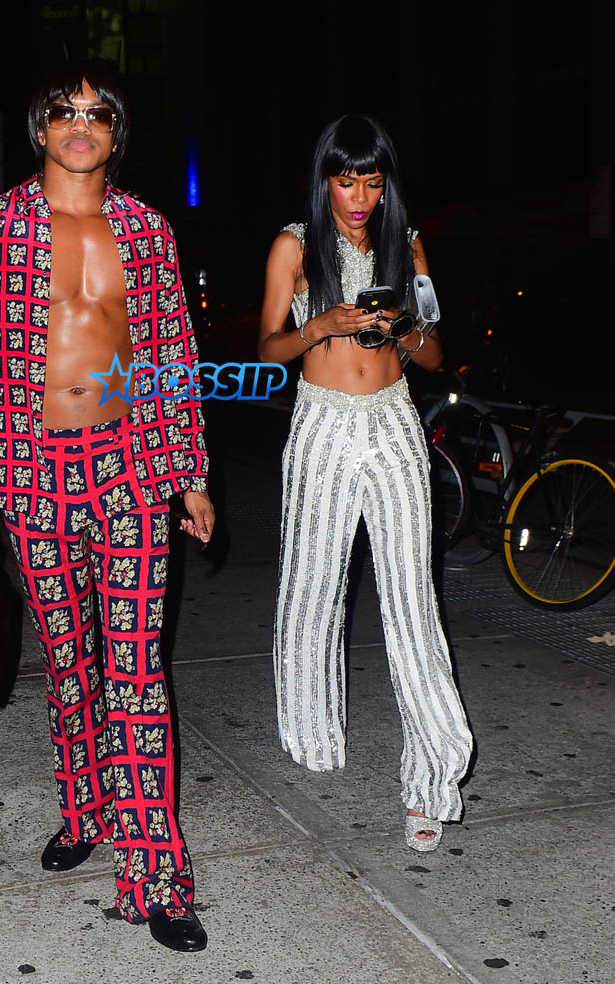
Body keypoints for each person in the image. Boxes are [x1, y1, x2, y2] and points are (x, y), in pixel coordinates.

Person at [0, 62, 214, 950]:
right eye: (65, 111)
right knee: (70, 665)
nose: (81, 124)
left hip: (129, 465)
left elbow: (169, 358)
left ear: (116, 132)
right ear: (41, 127)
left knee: (136, 671)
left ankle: (157, 874)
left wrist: (189, 473)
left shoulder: (148, 231)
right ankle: (85, 806)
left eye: (98, 113)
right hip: (30, 471)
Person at [258, 114, 473, 852]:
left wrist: (400, 329)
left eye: (372, 182)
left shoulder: (406, 245)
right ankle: (312, 733)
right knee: (311, 588)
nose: (358, 197)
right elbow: (267, 349)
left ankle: (432, 777)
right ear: (325, 179)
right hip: (321, 425)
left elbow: (436, 353)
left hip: (393, 423)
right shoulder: (293, 245)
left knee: (412, 602)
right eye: (346, 181)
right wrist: (321, 327)